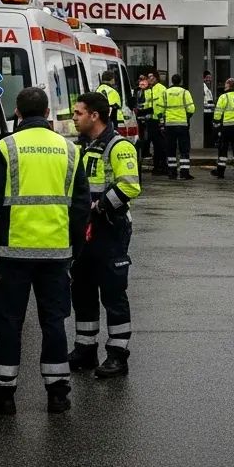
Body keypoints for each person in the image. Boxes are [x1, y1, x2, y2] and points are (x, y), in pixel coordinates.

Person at [0, 86, 90, 415]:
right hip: (56, 252)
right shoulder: (68, 150)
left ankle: (3, 394)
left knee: (9, 321)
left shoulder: (6, 147)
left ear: (18, 113)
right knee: (54, 321)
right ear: (49, 114)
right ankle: (57, 393)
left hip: (13, 252)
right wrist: (74, 248)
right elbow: (81, 206)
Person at [69, 91, 142, 379]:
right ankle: (85, 350)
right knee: (82, 289)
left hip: (110, 227)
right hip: (84, 230)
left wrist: (99, 206)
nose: (74, 118)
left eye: (78, 113)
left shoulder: (118, 146)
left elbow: (130, 186)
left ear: (94, 115)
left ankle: (117, 355)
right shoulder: (82, 146)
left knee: (112, 292)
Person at [163, 73, 196, 180]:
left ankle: (172, 173)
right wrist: (187, 117)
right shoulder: (185, 92)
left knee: (171, 149)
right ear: (180, 81)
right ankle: (184, 172)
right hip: (182, 125)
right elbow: (191, 109)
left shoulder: (166, 92)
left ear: (172, 81)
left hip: (169, 125)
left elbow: (160, 109)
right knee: (184, 149)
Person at [146, 70, 168, 175]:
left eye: (151, 77)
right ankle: (156, 167)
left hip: (159, 121)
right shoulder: (148, 90)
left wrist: (162, 120)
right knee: (155, 145)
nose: (150, 79)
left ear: (156, 78)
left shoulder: (161, 89)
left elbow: (164, 105)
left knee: (161, 145)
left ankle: (163, 167)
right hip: (150, 121)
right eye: (148, 77)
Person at [203, 70, 216, 148]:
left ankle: (209, 144)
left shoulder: (207, 89)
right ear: (203, 78)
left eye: (210, 78)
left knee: (209, 131)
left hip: (209, 113)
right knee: (207, 131)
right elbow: (205, 103)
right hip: (205, 113)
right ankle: (208, 145)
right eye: (207, 77)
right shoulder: (204, 88)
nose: (209, 79)